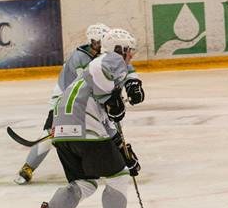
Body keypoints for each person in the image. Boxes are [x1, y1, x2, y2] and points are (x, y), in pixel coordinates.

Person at [23, 28, 144, 208]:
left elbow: (107, 120)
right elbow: (105, 88)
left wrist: (122, 152)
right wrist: (117, 96)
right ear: (120, 50)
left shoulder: (91, 71)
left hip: (63, 131)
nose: (130, 56)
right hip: (84, 129)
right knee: (118, 177)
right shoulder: (109, 61)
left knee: (84, 183)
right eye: (129, 51)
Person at [15, 24, 144, 185]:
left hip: (89, 101)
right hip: (64, 100)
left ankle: (113, 157)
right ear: (91, 41)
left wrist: (133, 84)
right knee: (49, 135)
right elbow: (88, 88)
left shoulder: (109, 57)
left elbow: (127, 69)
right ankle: (28, 167)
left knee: (108, 125)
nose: (98, 46)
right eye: (96, 42)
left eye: (101, 42)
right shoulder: (80, 58)